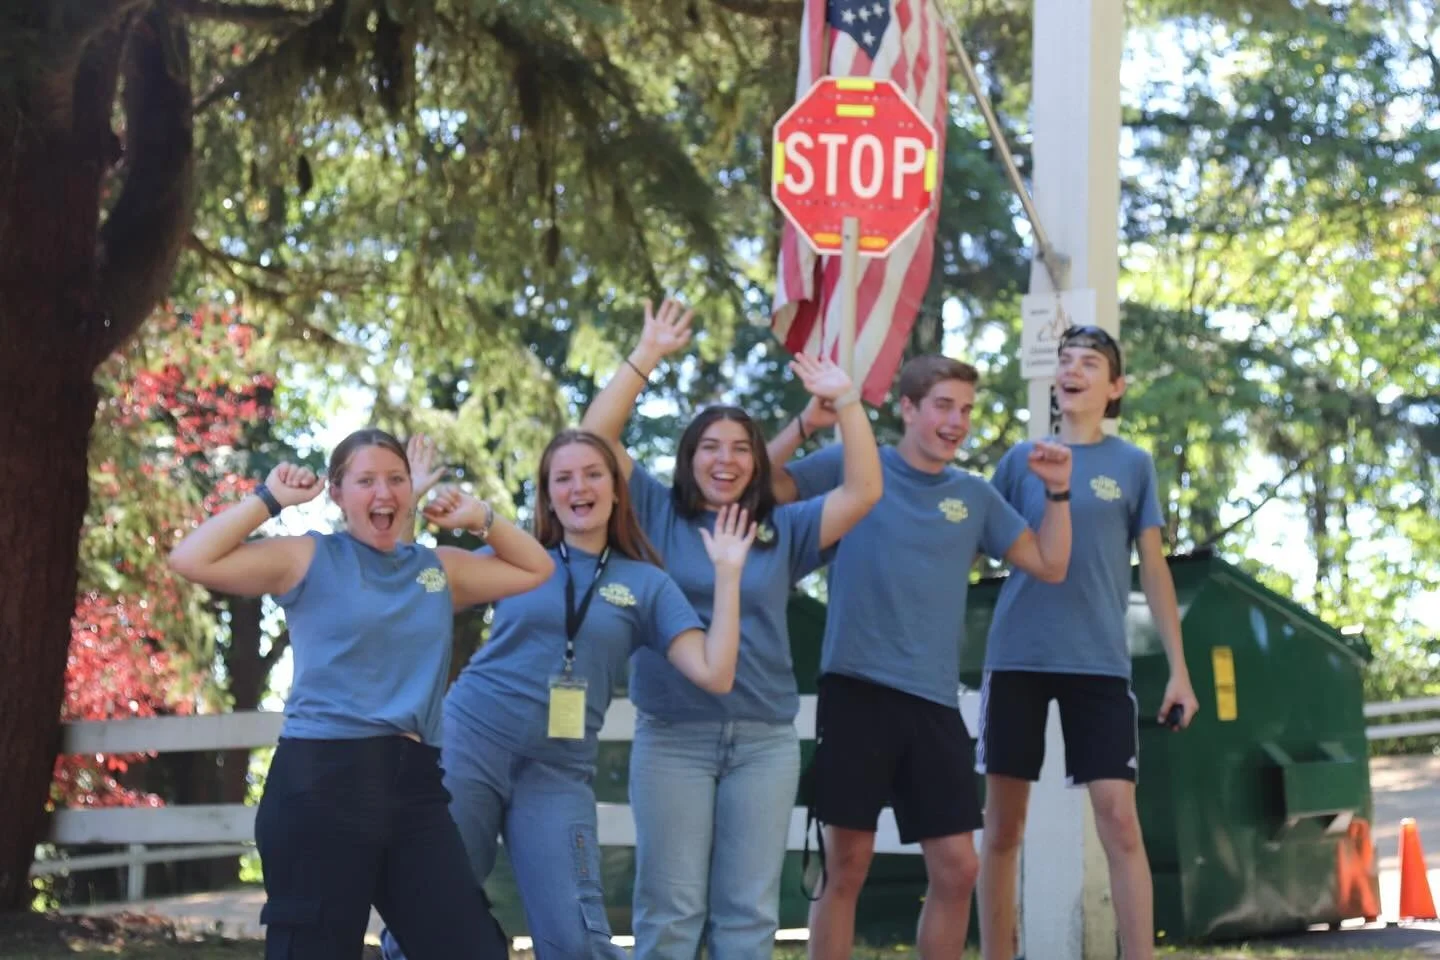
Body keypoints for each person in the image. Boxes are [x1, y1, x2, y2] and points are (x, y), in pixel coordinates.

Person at [168, 427, 554, 960]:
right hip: (322, 784)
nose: (383, 492)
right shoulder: (307, 557)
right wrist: (270, 499)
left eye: (396, 479)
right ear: (336, 492)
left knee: (471, 948)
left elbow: (538, 567)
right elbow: (192, 559)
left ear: (411, 491)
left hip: (415, 788)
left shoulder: (436, 570)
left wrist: (479, 518)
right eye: (366, 480)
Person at [581, 298, 884, 959]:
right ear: (690, 457)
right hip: (673, 739)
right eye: (711, 447)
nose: (726, 460)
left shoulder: (784, 528)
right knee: (671, 912)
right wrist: (648, 354)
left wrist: (846, 402)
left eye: (741, 448)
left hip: (763, 742)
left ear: (755, 462)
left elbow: (863, 490)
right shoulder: (656, 515)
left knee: (746, 917)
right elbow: (596, 439)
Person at [380, 429, 757, 960]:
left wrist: (729, 575)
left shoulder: (646, 584)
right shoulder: (517, 557)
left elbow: (716, 673)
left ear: (616, 490)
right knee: (429, 910)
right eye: (564, 478)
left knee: (578, 941)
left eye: (593, 474)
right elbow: (400, 587)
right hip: (473, 743)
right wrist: (408, 502)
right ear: (549, 495)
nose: (579, 487)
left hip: (558, 771)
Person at [767, 355, 1073, 960]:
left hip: (933, 702)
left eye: (966, 409)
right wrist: (805, 422)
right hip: (856, 689)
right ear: (907, 409)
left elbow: (1050, 563)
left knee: (958, 868)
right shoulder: (859, 464)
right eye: (943, 406)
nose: (957, 421)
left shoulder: (975, 497)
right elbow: (763, 485)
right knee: (845, 862)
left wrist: (1058, 491)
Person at [975, 326, 1199, 960]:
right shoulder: (1020, 460)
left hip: (1099, 663)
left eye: (1090, 362)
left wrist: (1180, 671)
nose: (1072, 370)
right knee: (1003, 829)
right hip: (1016, 656)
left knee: (1120, 821)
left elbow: (1153, 570)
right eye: (1065, 360)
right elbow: (973, 544)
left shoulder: (1132, 464)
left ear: (1115, 386)